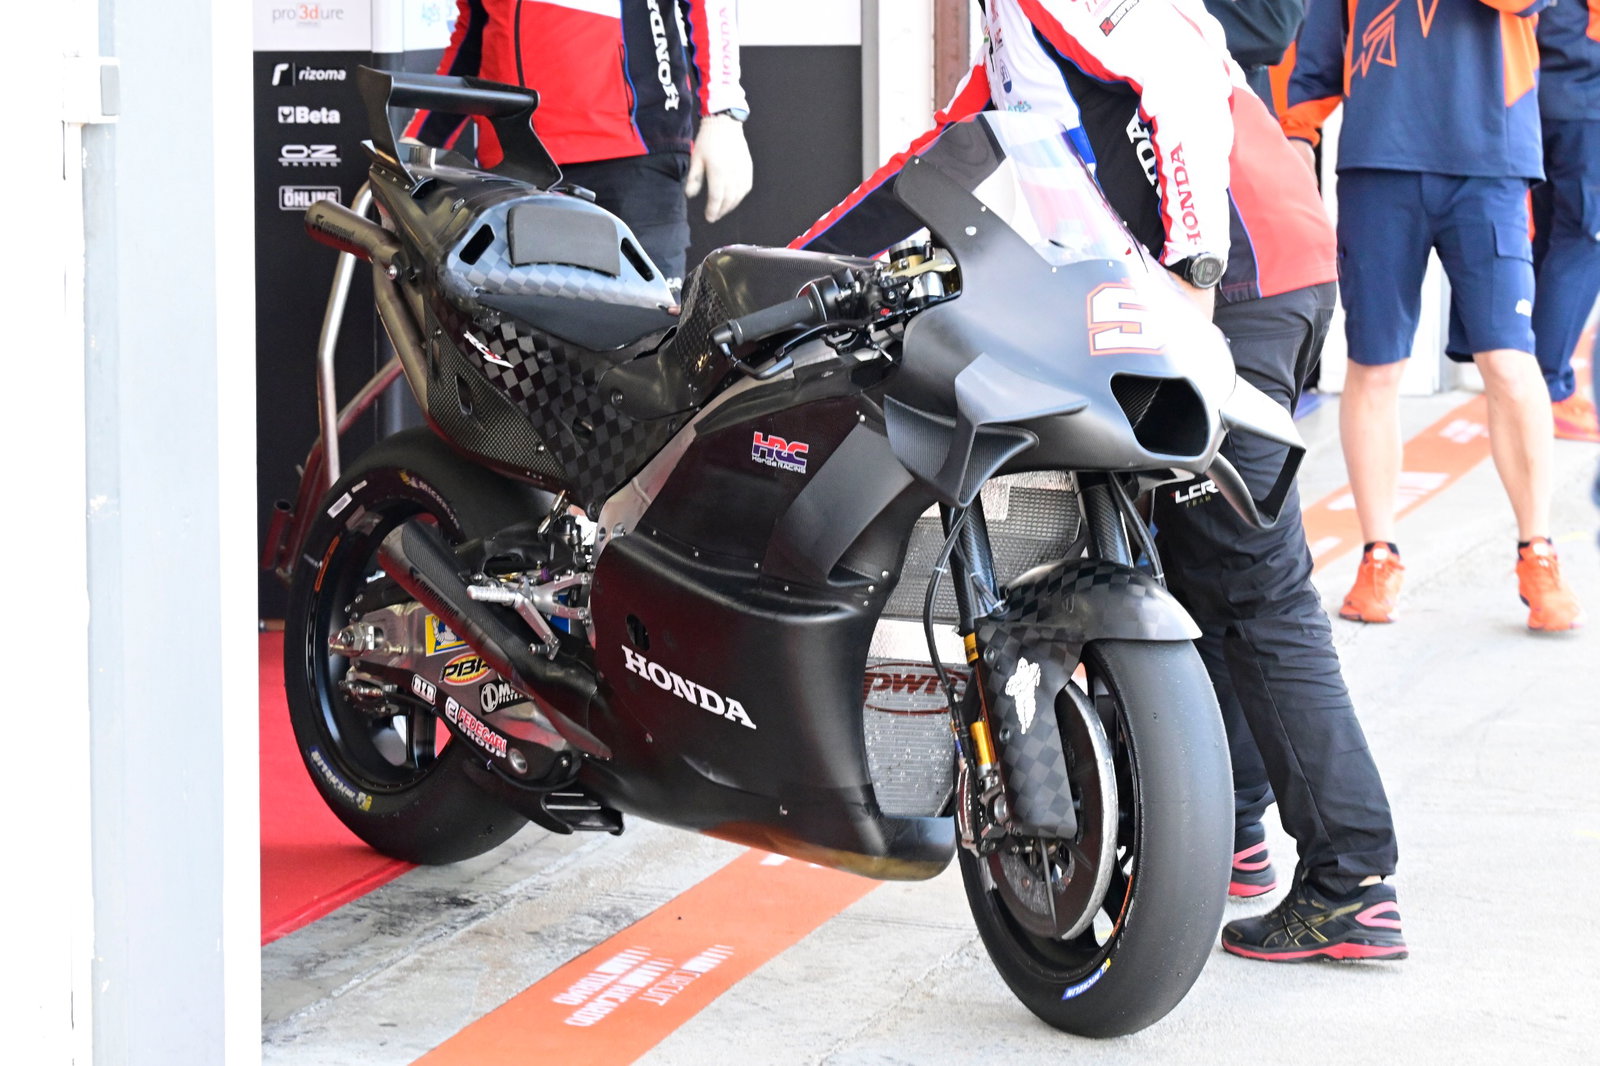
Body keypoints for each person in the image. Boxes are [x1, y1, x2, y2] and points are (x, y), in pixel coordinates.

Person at [796, 0, 1406, 963]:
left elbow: (1168, 78)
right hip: (1253, 271)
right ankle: (1231, 832)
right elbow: (944, 156)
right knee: (1192, 572)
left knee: (1252, 586)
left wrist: (1191, 275)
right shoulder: (1005, 28)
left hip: (1233, 283)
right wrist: (800, 269)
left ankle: (1353, 880)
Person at [1283, 0, 1584, 631]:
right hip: (1378, 157)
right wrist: (1295, 136)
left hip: (1491, 158)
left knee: (1508, 360)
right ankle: (1379, 554)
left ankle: (1538, 552)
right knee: (1375, 363)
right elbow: (1319, 45)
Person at [409, 0, 753, 292]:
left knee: (646, 344)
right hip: (516, 168)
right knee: (529, 351)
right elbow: (475, 33)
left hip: (631, 155)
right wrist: (420, 142)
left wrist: (722, 111)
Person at [1532, 0, 1600, 444]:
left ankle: (1530, 383)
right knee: (1584, 238)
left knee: (1551, 235)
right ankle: (1549, 390)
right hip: (1585, 88)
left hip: (1532, 88)